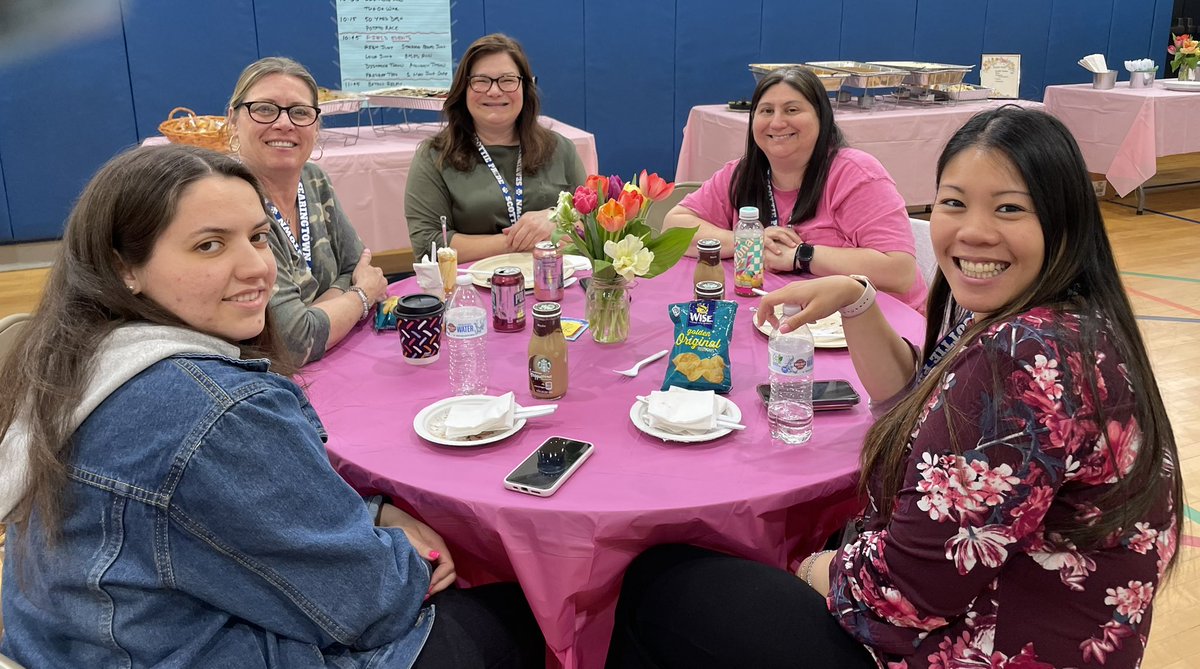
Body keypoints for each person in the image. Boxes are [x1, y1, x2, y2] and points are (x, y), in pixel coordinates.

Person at [606, 107, 1181, 668]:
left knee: (661, 582)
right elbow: (918, 399)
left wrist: (804, 565)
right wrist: (857, 299)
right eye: (954, 203)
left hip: (975, 639)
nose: (974, 232)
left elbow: (912, 592)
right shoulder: (1063, 315)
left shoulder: (1023, 352)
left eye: (1009, 209)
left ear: (1063, 220)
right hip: (1041, 614)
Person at [0, 145, 545, 668]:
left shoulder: (77, 356)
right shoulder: (216, 411)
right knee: (535, 612)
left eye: (259, 238)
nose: (257, 268)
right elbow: (369, 604)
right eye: (209, 245)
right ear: (124, 267)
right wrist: (408, 556)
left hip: (77, 642)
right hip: (167, 650)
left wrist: (371, 510)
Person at [663, 67, 926, 312]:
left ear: (822, 117)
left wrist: (802, 255)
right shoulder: (742, 173)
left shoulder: (856, 174)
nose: (777, 123)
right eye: (766, 111)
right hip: (785, 315)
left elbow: (899, 272)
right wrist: (749, 241)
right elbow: (674, 226)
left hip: (875, 321)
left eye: (791, 110)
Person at [227, 56, 388, 365]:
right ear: (232, 120)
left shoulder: (314, 180)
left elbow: (356, 265)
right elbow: (293, 341)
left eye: (300, 112)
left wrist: (322, 307)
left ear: (316, 127)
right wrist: (361, 295)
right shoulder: (235, 203)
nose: (284, 123)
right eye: (264, 109)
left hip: (335, 359)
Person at [405, 33, 587, 263]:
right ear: (463, 89)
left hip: (555, 286)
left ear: (525, 87)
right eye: (481, 80)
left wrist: (555, 219)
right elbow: (427, 244)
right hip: (471, 291)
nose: (494, 91)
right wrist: (521, 241)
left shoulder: (561, 150)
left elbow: (590, 226)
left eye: (508, 80)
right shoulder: (434, 156)